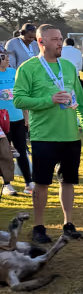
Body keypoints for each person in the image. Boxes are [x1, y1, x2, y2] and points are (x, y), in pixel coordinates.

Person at [12, 24, 83, 243]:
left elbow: (80, 100)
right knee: (42, 183)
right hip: (44, 135)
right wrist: (49, 100)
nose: (60, 43)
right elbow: (18, 99)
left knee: (68, 181)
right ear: (41, 42)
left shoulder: (68, 67)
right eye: (55, 39)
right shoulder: (28, 68)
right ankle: (39, 226)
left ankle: (68, 224)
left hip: (70, 135)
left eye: (60, 39)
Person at [0, 49, 32, 195]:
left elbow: (21, 95)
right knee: (4, 154)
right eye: (3, 57)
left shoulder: (14, 72)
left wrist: (26, 116)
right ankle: (7, 184)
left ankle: (29, 183)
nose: (7, 59)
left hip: (18, 118)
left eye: (7, 56)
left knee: (21, 151)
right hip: (2, 122)